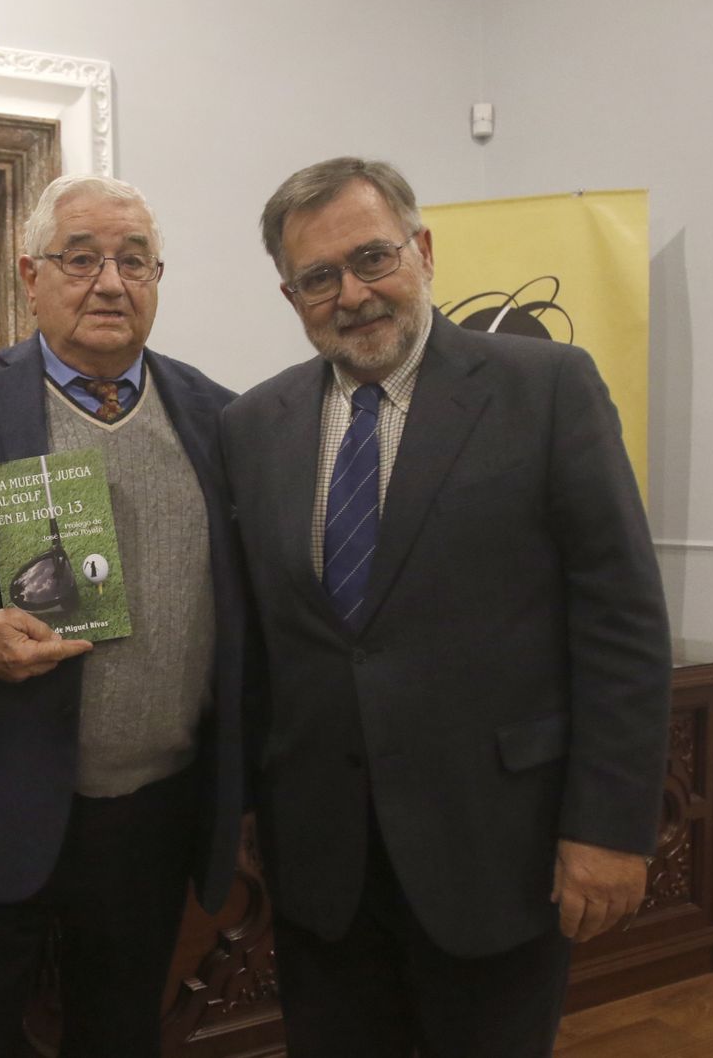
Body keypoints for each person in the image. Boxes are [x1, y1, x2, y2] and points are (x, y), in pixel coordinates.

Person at [221, 156, 672, 1056]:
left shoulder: (547, 389)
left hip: (497, 851)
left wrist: (611, 829)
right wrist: (241, 805)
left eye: (373, 258)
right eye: (319, 277)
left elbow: (620, 623)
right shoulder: (252, 426)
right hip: (323, 868)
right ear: (291, 296)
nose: (353, 294)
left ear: (423, 251)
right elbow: (261, 643)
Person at [0, 174, 246, 1058]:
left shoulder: (220, 417)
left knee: (122, 1037)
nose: (110, 283)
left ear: (157, 277)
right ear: (31, 276)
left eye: (134, 261)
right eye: (81, 259)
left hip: (151, 817)